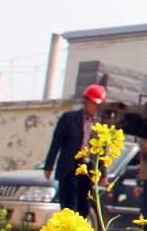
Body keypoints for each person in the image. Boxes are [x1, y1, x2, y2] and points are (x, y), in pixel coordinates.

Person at [43, 82, 106, 218]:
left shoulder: (100, 124)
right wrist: (49, 166)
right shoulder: (69, 118)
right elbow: (56, 143)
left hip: (87, 170)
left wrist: (103, 172)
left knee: (84, 208)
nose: (95, 107)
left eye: (98, 105)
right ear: (86, 101)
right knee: (68, 208)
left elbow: (102, 150)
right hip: (69, 168)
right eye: (93, 103)